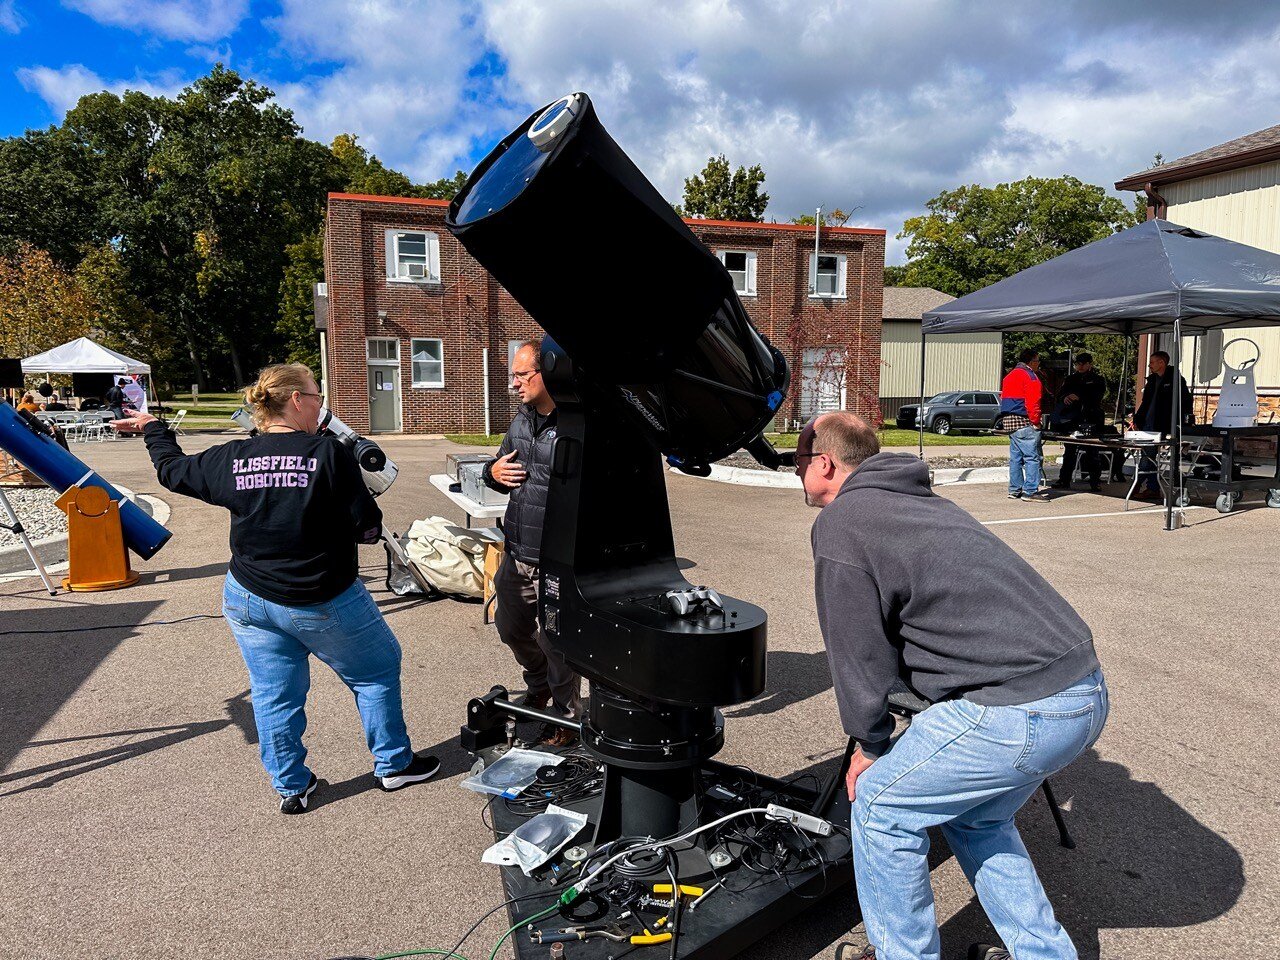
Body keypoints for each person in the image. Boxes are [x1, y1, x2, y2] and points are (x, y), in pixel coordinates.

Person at [796, 412, 1108, 960]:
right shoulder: (924, 501)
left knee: (879, 808)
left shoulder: (843, 523)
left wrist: (870, 745)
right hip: (1084, 692)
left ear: (824, 464)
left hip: (1016, 711)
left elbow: (857, 654)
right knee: (978, 815)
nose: (798, 474)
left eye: (799, 463)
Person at [114, 363, 438, 814]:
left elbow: (172, 470)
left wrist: (153, 427)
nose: (321, 404)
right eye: (317, 396)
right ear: (296, 401)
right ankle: (394, 764)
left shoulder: (231, 457)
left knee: (273, 693)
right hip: (322, 598)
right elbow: (367, 526)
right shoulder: (329, 454)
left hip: (249, 598)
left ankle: (291, 786)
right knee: (375, 673)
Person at [482, 340, 581, 747]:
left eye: (522, 375)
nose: (514, 384)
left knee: (556, 641)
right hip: (517, 548)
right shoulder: (521, 421)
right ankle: (538, 684)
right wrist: (491, 472)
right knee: (510, 628)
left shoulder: (575, 424)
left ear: (549, 374)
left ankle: (567, 717)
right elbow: (499, 469)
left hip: (555, 557)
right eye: (514, 375)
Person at [1131, 350, 1193, 501]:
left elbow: (1185, 403)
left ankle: (1142, 485)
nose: (1149, 365)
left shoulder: (1176, 380)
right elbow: (1145, 403)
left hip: (1164, 425)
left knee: (1148, 457)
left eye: (1152, 362)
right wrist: (1137, 419)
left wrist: (1181, 424)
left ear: (1161, 363)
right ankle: (1151, 487)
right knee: (1148, 455)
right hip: (1148, 424)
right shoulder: (1151, 381)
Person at [1051, 352, 1107, 492]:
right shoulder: (1070, 379)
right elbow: (1060, 395)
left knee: (1092, 451)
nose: (1080, 366)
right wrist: (1065, 397)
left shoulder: (1097, 379)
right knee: (1069, 452)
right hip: (1071, 419)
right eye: (1078, 364)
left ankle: (1095, 481)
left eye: (1083, 364)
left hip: (1091, 419)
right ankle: (1064, 479)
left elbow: (1097, 398)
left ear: (1090, 364)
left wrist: (1080, 397)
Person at [998, 348, 1048, 502]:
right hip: (1024, 420)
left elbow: (1003, 397)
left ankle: (1014, 489)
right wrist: (1036, 422)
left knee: (1015, 458)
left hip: (1009, 421)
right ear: (1031, 361)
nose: (1038, 364)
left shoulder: (1009, 376)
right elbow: (1033, 402)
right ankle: (1030, 491)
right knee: (1033, 458)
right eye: (1037, 361)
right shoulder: (1030, 376)